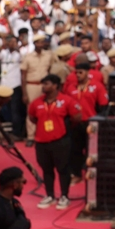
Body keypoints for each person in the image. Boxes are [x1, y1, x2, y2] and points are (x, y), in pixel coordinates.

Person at [26, 75, 83, 210]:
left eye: (47, 83)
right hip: (41, 141)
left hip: (60, 141)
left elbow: (77, 118)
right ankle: (50, 195)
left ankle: (64, 196)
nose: (43, 86)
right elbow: (32, 118)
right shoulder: (36, 103)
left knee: (63, 169)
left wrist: (63, 129)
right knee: (46, 169)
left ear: (56, 85)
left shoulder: (67, 101)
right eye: (43, 84)